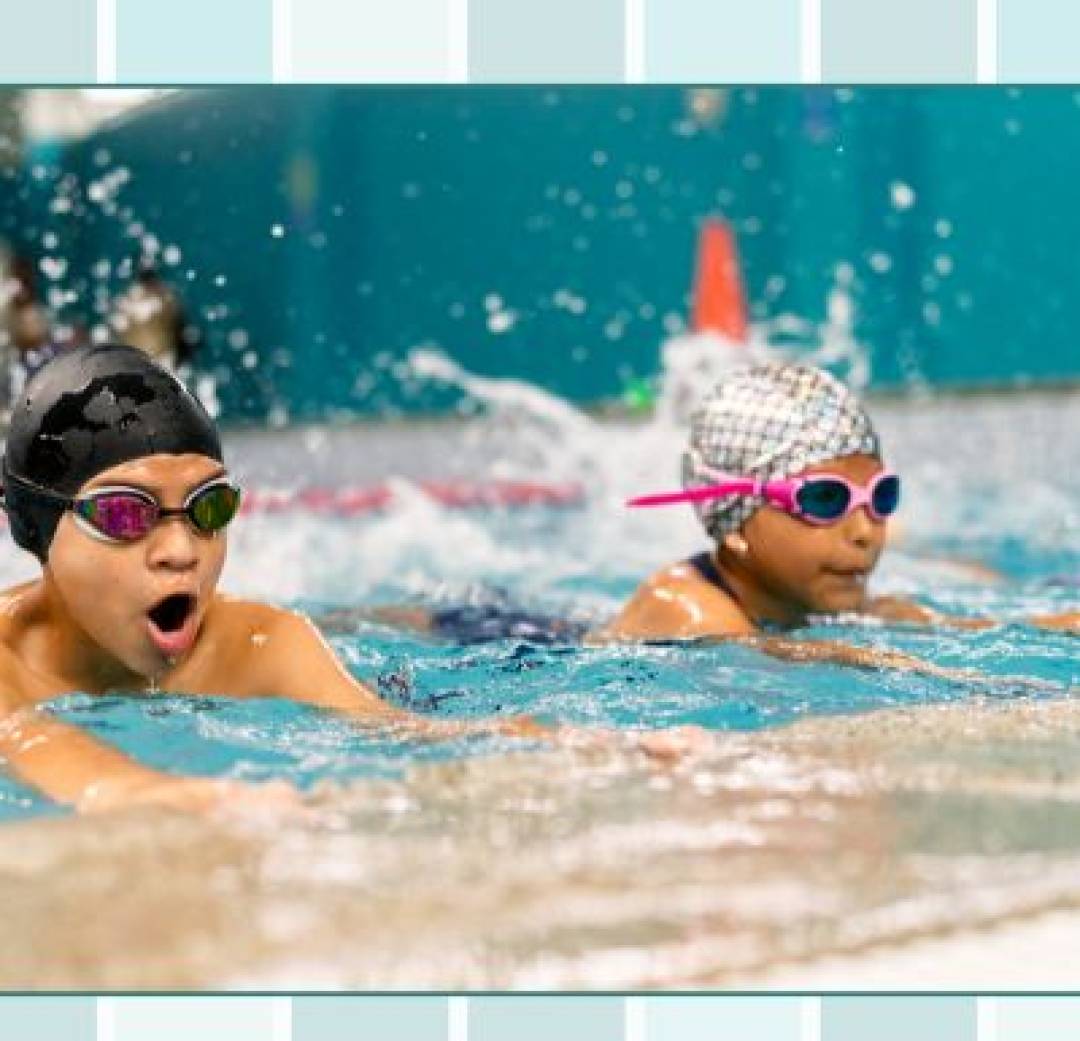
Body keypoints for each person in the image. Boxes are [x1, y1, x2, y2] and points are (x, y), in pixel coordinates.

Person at [0, 345, 694, 817]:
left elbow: (406, 732)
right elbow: (49, 754)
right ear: (31, 528)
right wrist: (194, 800)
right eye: (126, 515)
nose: (180, 550)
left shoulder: (260, 641)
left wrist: (584, 745)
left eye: (209, 507)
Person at [595, 362, 1078, 668]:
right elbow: (793, 660)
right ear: (735, 518)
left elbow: (977, 628)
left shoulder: (821, 597)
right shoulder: (684, 607)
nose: (866, 532)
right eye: (826, 500)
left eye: (880, 497)